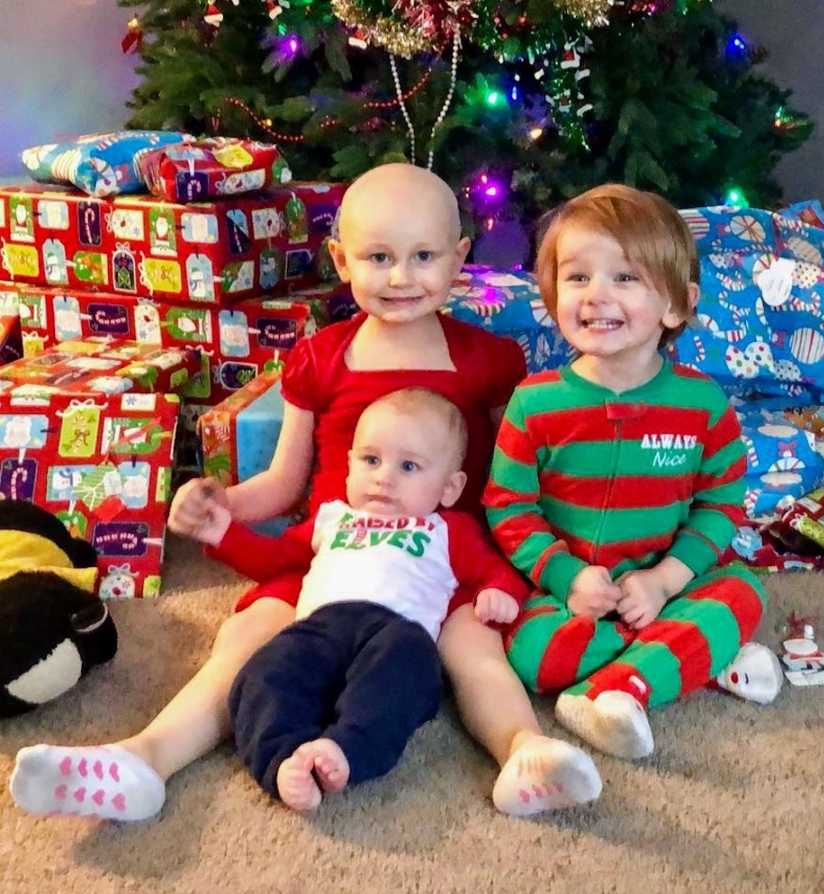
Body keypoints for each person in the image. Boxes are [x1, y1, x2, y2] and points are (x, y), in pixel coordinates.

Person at [11, 163, 601, 822]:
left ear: (460, 258)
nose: (401, 276)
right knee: (241, 644)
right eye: (379, 257)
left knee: (479, 655)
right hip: (326, 555)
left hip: (445, 559)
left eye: (423, 256)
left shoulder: (490, 360)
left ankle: (522, 752)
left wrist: (503, 577)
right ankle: (145, 758)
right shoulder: (321, 357)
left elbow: (505, 484)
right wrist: (220, 507)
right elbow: (283, 485)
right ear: (341, 260)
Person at [483, 184, 781, 762]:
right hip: (571, 595)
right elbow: (510, 507)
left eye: (625, 278)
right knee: (530, 654)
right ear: (551, 295)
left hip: (670, 582)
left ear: (676, 304)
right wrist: (567, 577)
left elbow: (720, 506)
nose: (597, 295)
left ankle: (614, 691)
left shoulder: (703, 404)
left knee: (744, 593)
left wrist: (667, 580)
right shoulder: (533, 403)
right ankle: (690, 657)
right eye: (577, 277)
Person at [214, 389, 596, 812]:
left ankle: (345, 750)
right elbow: (274, 559)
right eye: (370, 460)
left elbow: (497, 570)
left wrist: (499, 593)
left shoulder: (447, 529)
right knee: (266, 672)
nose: (384, 477)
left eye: (409, 466)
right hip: (317, 630)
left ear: (450, 488)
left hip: (394, 632)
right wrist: (223, 535)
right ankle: (282, 761)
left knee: (407, 677)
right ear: (348, 468)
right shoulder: (333, 518)